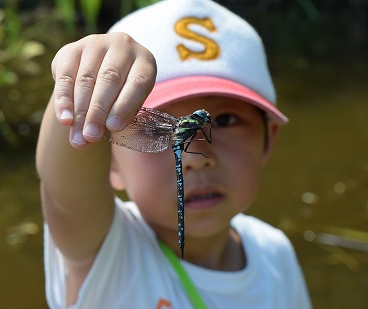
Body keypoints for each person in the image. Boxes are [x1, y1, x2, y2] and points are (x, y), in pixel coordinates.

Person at [36, 0, 312, 308]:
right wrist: (81, 81)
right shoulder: (106, 254)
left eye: (225, 121)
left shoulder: (276, 253)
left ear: (268, 139)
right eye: (150, 130)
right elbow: (66, 193)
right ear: (110, 163)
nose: (198, 159)